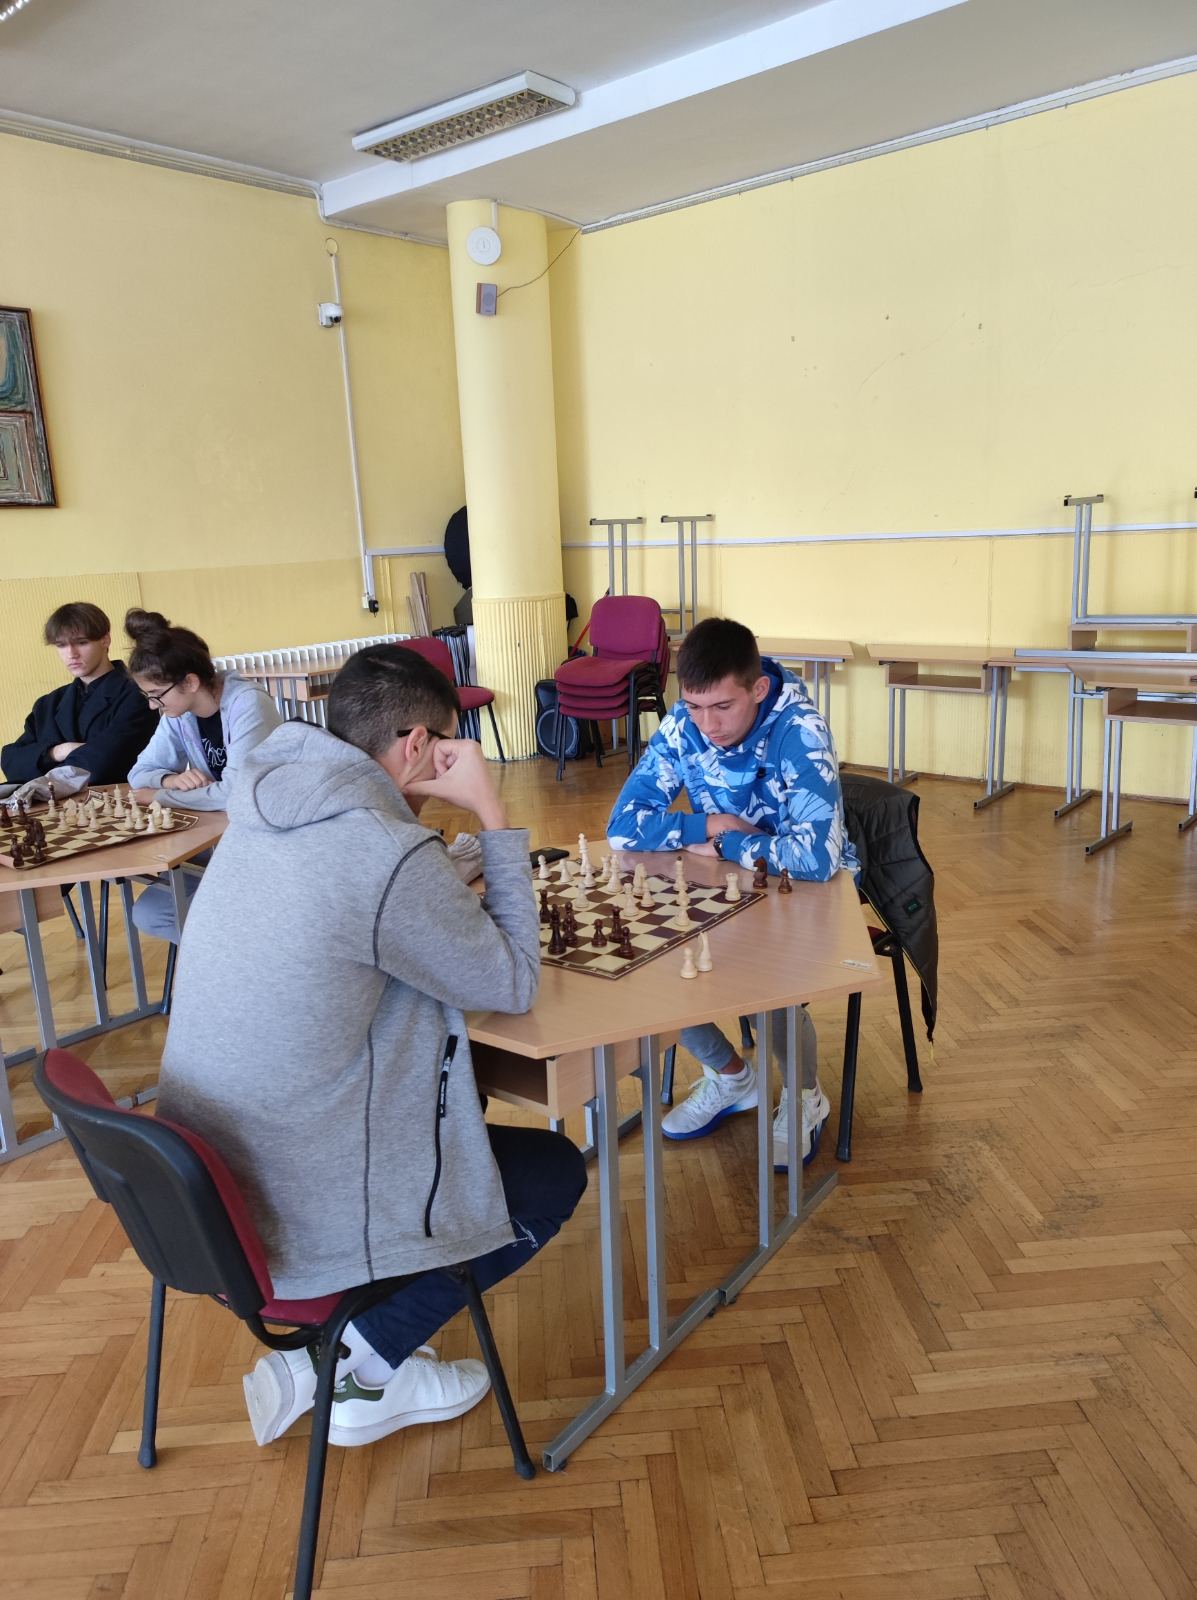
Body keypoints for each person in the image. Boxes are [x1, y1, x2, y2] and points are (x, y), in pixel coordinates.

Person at [157, 644, 586, 1449]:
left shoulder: (262, 802)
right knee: (553, 1174)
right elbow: (512, 981)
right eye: (446, 742)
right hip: (297, 1205)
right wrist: (491, 812)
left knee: (450, 1094)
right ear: (419, 743)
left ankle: (342, 1351)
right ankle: (363, 1361)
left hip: (197, 1188)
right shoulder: (383, 850)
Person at [607, 616, 859, 1166]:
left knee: (772, 978)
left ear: (758, 688)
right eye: (694, 707)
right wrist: (709, 825)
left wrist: (726, 841)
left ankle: (805, 1095)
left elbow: (816, 859)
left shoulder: (800, 729)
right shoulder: (685, 723)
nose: (707, 724)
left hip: (804, 890)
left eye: (722, 707)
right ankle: (731, 1075)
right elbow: (622, 826)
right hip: (726, 878)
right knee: (652, 955)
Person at [123, 609, 282, 940]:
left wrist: (161, 796)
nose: (152, 705)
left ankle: (244, 952)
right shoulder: (178, 713)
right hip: (221, 836)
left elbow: (235, 793)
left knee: (196, 916)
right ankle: (229, 954)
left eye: (156, 695)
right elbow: (138, 773)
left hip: (268, 841)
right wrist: (169, 779)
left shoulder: (248, 704)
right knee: (150, 912)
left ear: (190, 682)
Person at [1, 602, 158, 785]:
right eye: (61, 645)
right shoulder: (47, 704)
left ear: (105, 640)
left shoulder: (141, 693)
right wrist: (58, 751)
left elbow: (103, 765)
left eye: (82, 643)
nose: (71, 654)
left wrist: (39, 765)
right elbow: (11, 762)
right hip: (53, 802)